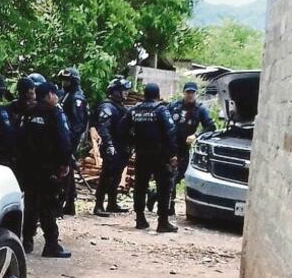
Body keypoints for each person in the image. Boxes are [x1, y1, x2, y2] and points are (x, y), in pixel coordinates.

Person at [18, 81, 73, 258]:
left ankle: (27, 241)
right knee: (48, 205)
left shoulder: (28, 113)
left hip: (29, 167)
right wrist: (64, 163)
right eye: (55, 94)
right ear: (49, 95)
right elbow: (64, 139)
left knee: (30, 204)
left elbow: (19, 138)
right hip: (49, 168)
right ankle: (51, 244)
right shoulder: (54, 113)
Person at [119, 82, 178, 233]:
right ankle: (162, 222)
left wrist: (133, 141)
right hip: (160, 155)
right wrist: (172, 154)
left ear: (144, 95)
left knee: (140, 186)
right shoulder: (161, 110)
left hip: (142, 154)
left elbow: (121, 129)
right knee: (164, 187)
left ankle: (140, 219)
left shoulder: (134, 110)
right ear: (158, 95)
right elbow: (171, 132)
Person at [166, 81, 215, 215]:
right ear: (184, 92)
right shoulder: (174, 106)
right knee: (171, 175)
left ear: (196, 94)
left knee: (179, 175)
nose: (190, 95)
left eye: (192, 92)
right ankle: (169, 206)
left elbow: (210, 126)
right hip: (171, 146)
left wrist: (196, 135)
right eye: (188, 92)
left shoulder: (200, 109)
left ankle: (157, 197)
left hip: (184, 148)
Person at [91, 78, 133, 217]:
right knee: (107, 176)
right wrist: (109, 145)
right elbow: (103, 128)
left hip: (122, 147)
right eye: (123, 90)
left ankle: (112, 203)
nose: (126, 93)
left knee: (116, 176)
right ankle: (99, 205)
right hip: (112, 147)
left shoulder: (121, 107)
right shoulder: (107, 107)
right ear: (115, 92)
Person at [58, 67, 88, 216]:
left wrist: (70, 144)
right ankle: (69, 203)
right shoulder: (67, 95)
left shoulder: (76, 98)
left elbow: (77, 124)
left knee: (65, 171)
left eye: (67, 80)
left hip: (70, 139)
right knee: (67, 172)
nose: (64, 83)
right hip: (65, 138)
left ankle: (66, 202)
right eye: (63, 80)